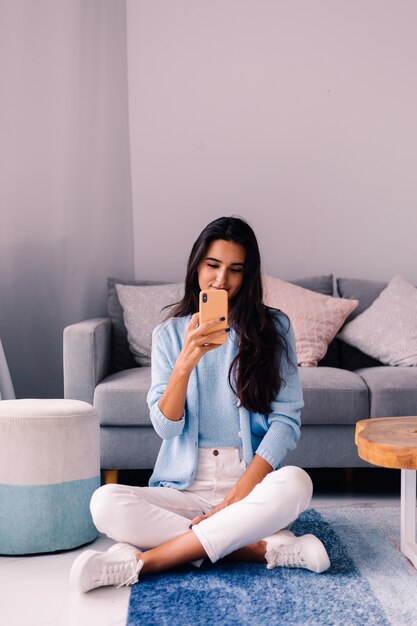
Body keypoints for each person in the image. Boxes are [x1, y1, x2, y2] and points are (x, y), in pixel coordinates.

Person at [69, 216, 330, 593]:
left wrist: (238, 495)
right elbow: (166, 427)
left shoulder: (275, 329)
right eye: (213, 265)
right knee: (104, 502)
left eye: (235, 270)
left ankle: (143, 562)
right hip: (183, 489)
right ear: (196, 267)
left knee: (296, 483)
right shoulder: (169, 335)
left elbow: (286, 421)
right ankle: (259, 550)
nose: (222, 280)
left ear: (248, 276)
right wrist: (184, 363)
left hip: (249, 482)